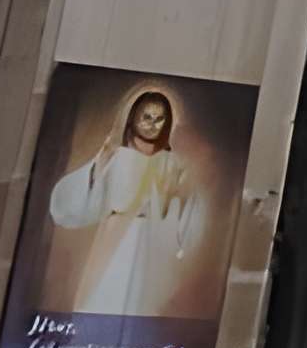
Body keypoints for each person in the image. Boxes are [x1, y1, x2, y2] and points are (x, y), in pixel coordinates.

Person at [46, 86, 205, 316]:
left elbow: (190, 212)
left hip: (154, 246)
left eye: (159, 119)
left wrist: (181, 239)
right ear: (133, 118)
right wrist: (101, 162)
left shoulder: (174, 164)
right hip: (114, 242)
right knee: (103, 302)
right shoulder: (116, 159)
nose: (152, 124)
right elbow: (84, 197)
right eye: (146, 117)